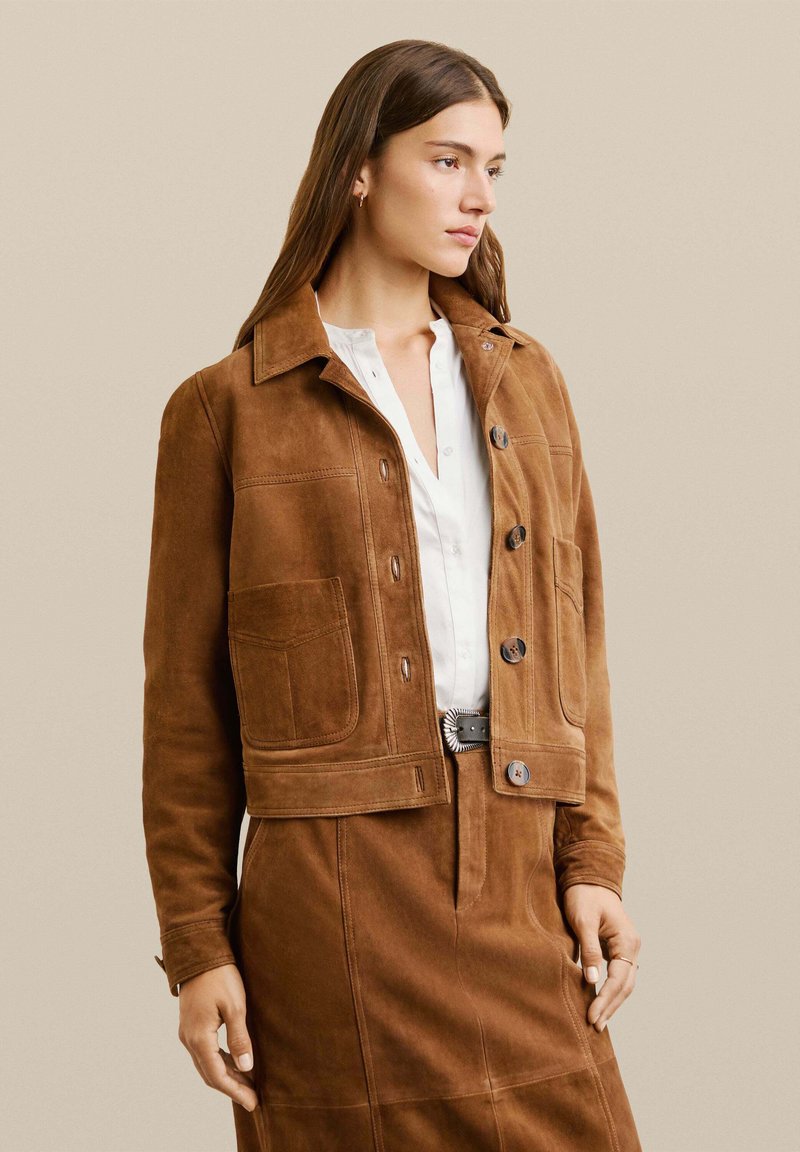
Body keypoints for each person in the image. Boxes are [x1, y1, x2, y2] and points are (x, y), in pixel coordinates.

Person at [142, 38, 643, 1152]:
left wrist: (590, 862)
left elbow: (579, 647)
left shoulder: (526, 381)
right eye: (447, 160)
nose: (478, 198)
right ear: (359, 168)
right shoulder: (227, 411)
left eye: (493, 169)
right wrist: (198, 946)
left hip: (517, 863)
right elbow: (184, 710)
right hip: (331, 900)